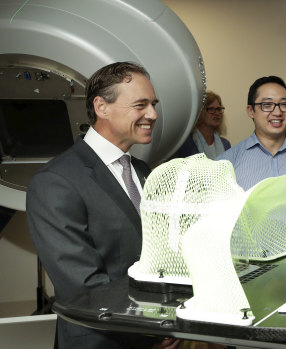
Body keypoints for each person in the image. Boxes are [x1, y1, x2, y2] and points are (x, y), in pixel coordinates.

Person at [26, 62, 181, 349]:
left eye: (154, 104)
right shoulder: (56, 181)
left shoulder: (145, 171)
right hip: (103, 341)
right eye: (140, 105)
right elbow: (84, 287)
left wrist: (168, 323)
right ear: (102, 107)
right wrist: (149, 331)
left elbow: (162, 256)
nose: (153, 114)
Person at [217, 76, 286, 213]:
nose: (277, 112)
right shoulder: (226, 164)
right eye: (267, 105)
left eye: (284, 104)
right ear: (251, 111)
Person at [171, 90, 231, 160]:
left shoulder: (225, 144)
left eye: (218, 109)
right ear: (200, 112)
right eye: (211, 109)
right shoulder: (186, 144)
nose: (217, 113)